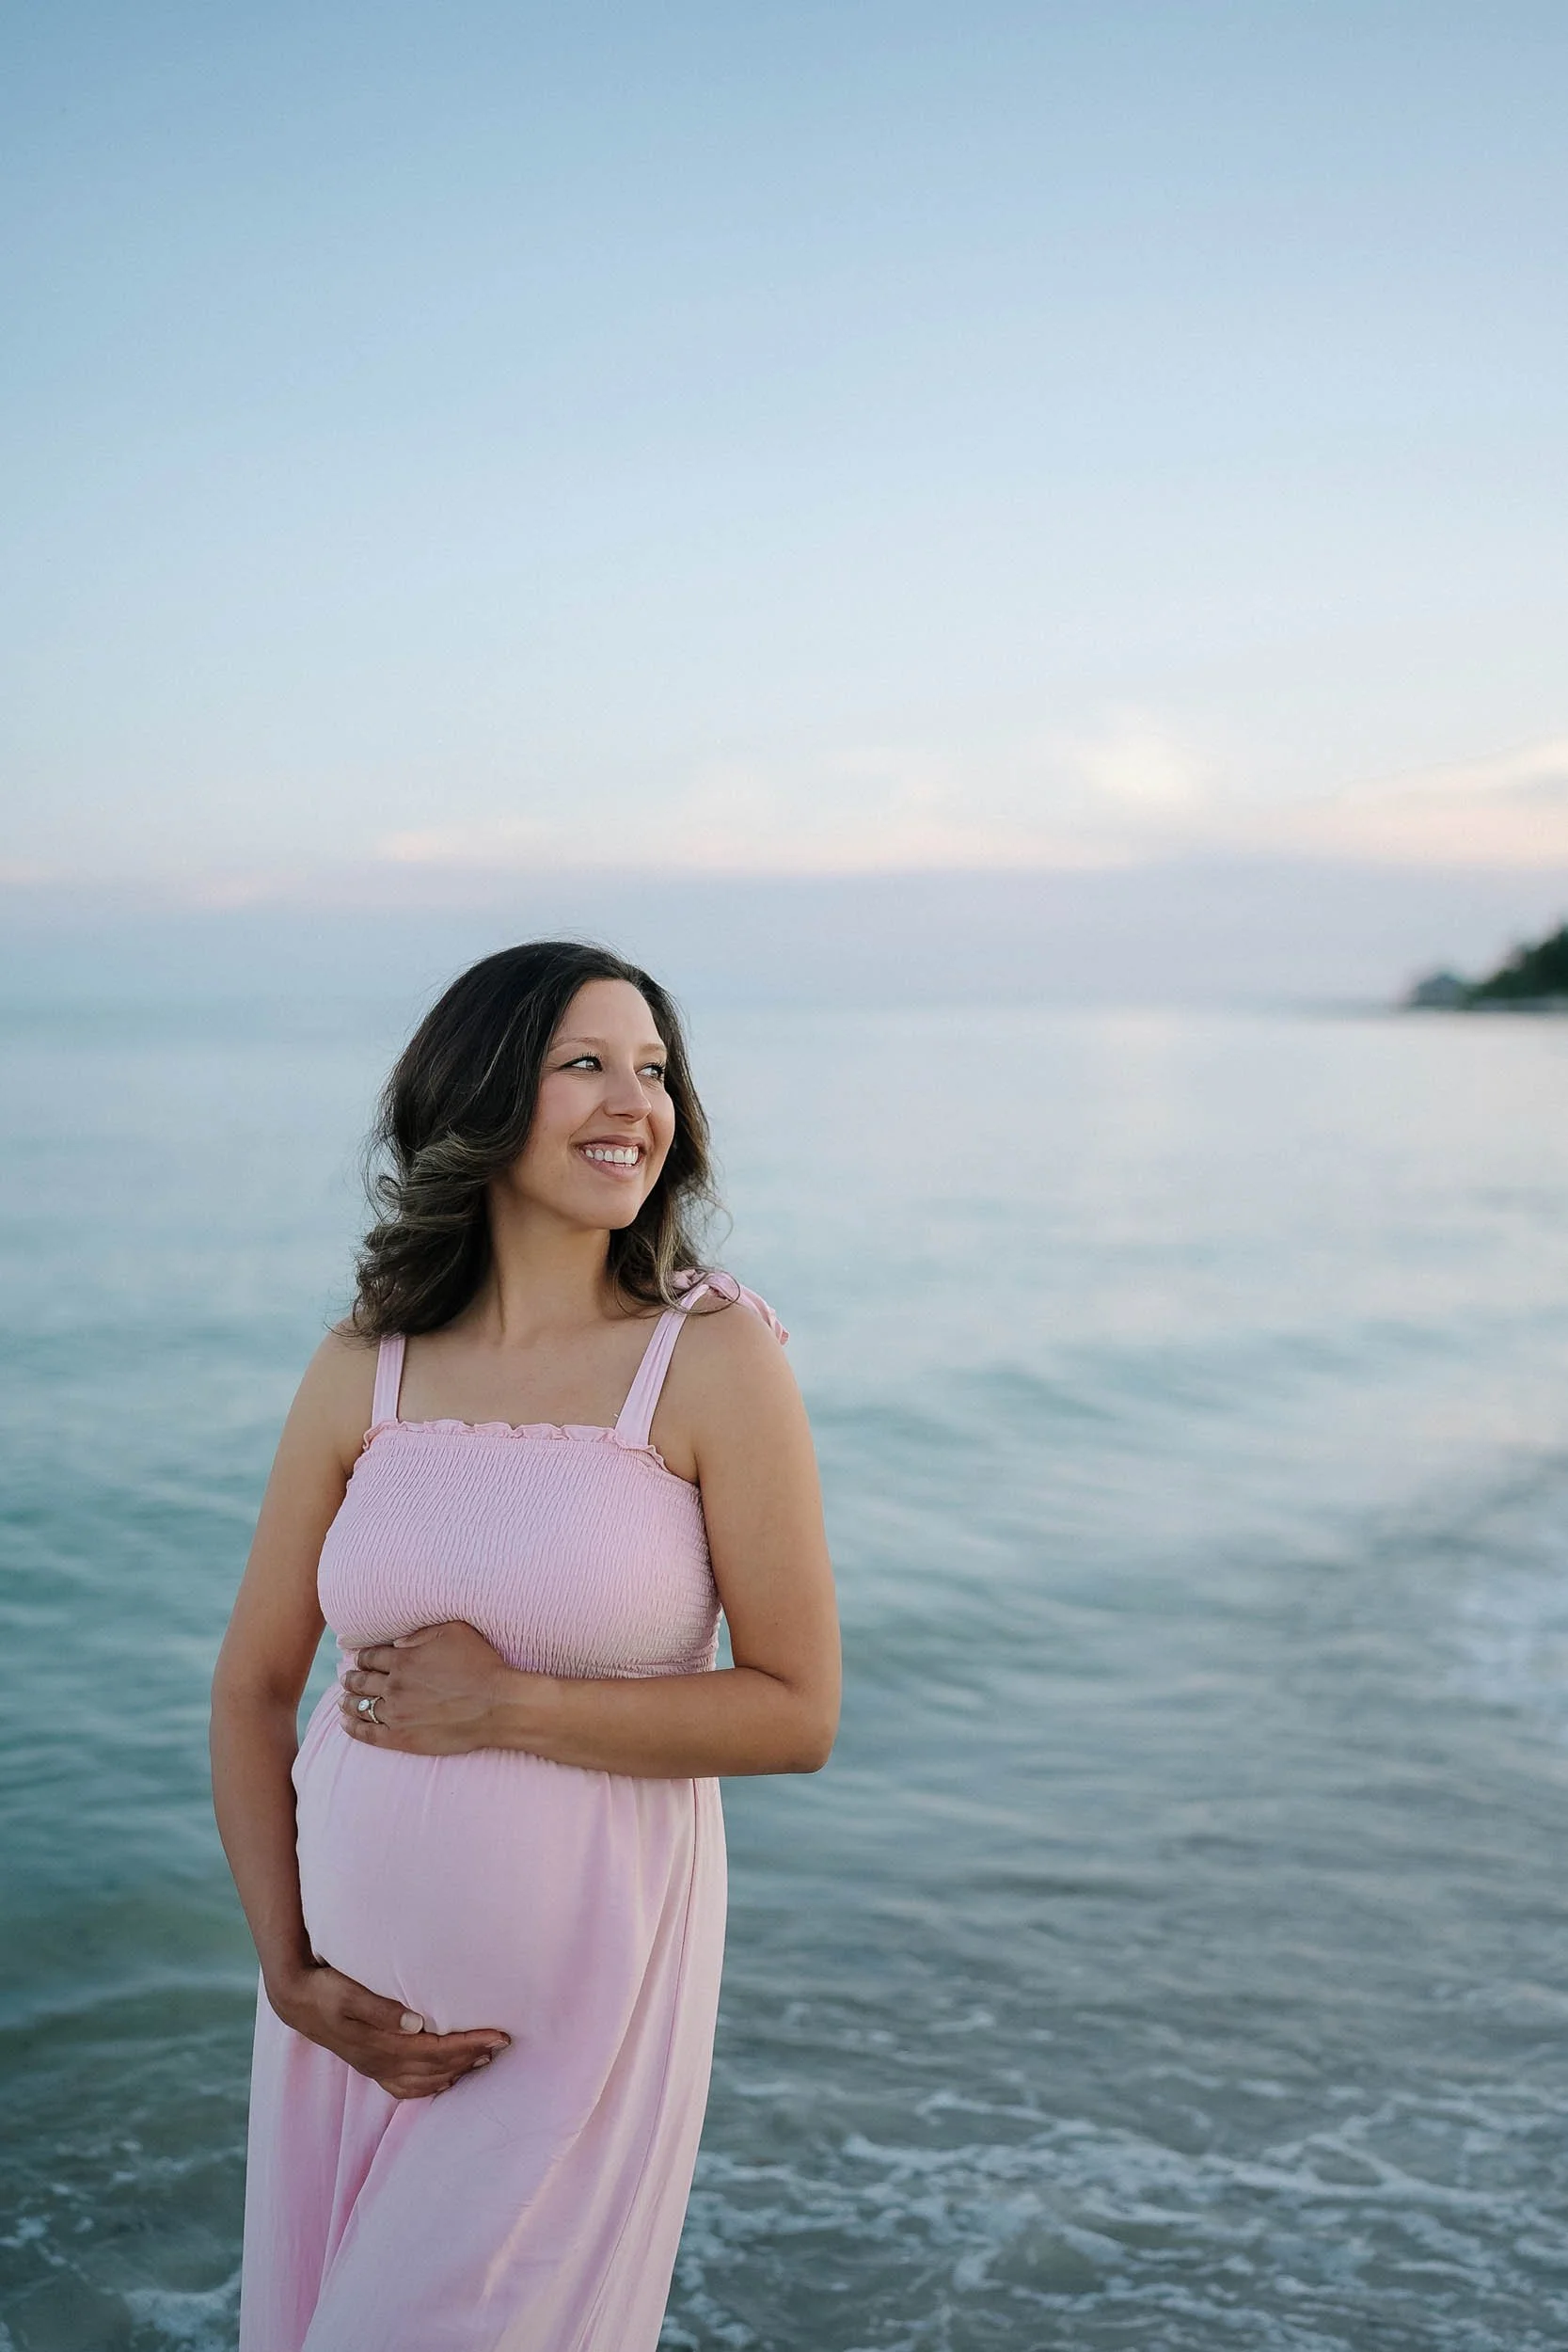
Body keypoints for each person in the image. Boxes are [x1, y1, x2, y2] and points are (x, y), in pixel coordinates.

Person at [210, 940, 840, 2352]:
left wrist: (511, 1707)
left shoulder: (710, 1354)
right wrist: (290, 1971)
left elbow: (797, 1711)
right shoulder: (362, 1362)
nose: (636, 1100)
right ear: (484, 1096)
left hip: (571, 2026)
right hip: (346, 2030)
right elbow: (253, 1689)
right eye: (585, 1063)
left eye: (655, 1069)